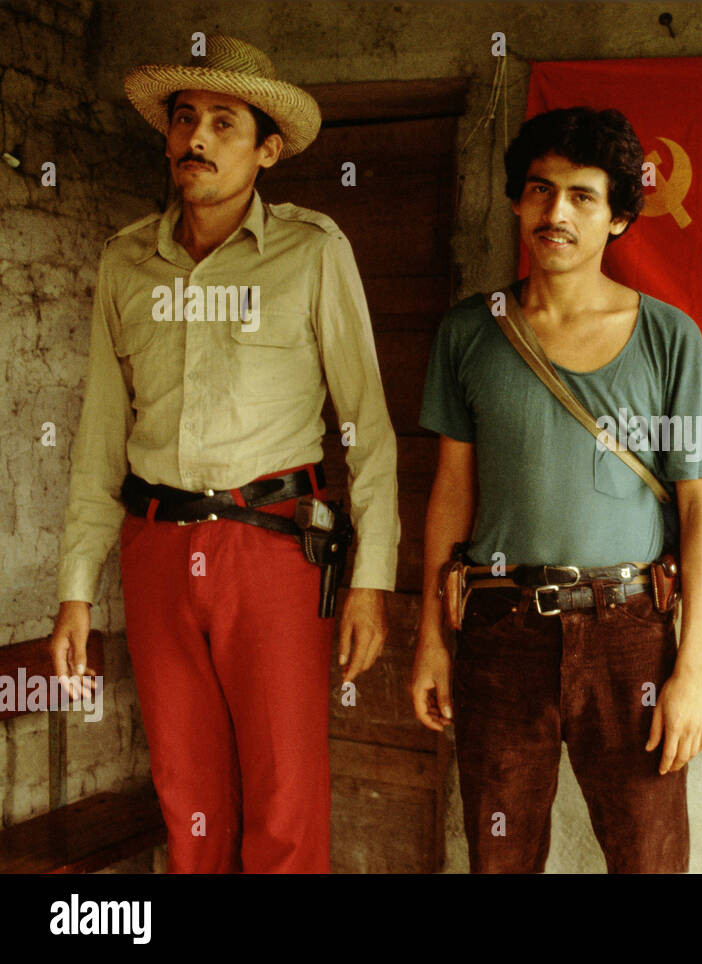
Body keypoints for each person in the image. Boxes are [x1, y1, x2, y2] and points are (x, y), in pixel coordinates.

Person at [48, 35, 399, 873]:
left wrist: (372, 581)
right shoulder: (128, 260)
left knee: (284, 797)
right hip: (158, 544)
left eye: (223, 122)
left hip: (274, 545)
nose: (196, 138)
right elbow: (100, 432)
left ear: (266, 149)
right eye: (184, 119)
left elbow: (368, 427)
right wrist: (74, 591)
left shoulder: (313, 252)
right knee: (187, 794)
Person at [412, 106, 702, 873]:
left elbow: (698, 507)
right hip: (498, 627)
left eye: (583, 196)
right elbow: (452, 489)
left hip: (630, 634)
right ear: (518, 200)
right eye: (540, 190)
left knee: (649, 857)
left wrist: (693, 672)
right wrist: (430, 636)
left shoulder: (667, 337)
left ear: (619, 217)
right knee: (500, 858)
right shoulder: (469, 331)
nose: (557, 213)